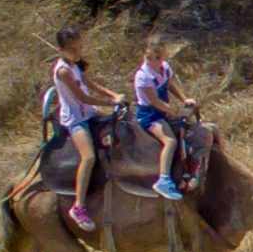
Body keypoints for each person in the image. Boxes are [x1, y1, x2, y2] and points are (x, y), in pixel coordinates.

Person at [51, 28, 123, 232]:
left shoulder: (75, 66)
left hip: (90, 113)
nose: (77, 52)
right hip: (76, 119)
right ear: (61, 50)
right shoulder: (63, 70)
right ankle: (79, 206)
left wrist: (114, 94)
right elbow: (82, 97)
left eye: (79, 47)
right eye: (72, 49)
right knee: (89, 157)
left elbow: (91, 84)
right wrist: (111, 102)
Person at [131, 36, 195, 202]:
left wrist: (184, 99)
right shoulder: (143, 76)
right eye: (149, 57)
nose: (153, 61)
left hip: (163, 111)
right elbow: (154, 101)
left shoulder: (164, 68)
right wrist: (171, 110)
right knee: (170, 141)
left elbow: (170, 84)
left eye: (158, 57)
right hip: (149, 116)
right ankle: (163, 179)